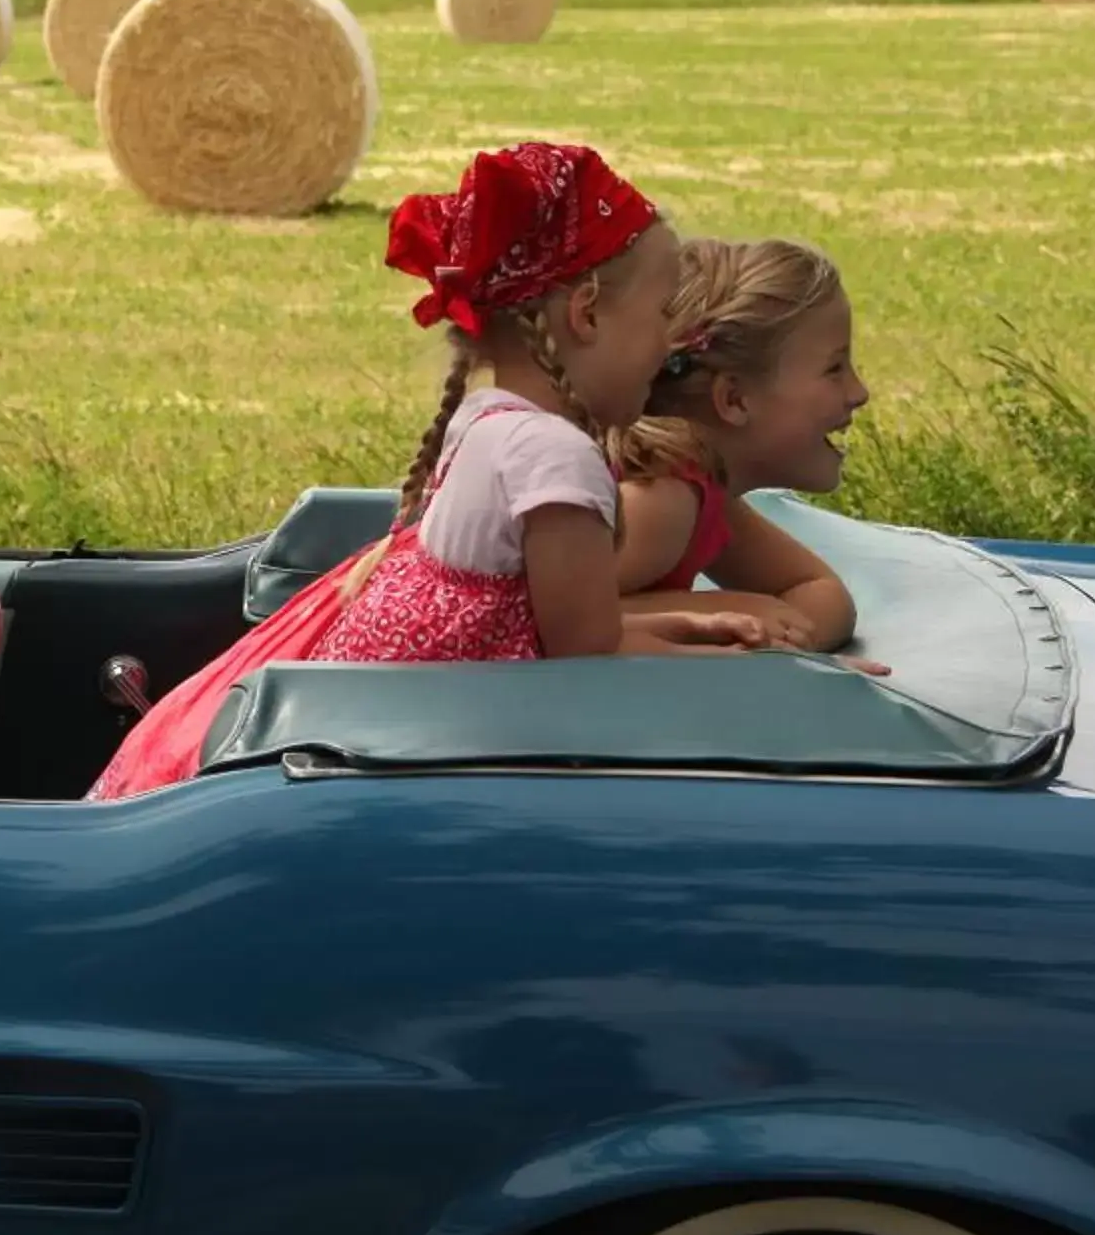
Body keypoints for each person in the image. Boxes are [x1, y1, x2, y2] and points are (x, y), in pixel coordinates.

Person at [88, 143, 763, 801]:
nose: (674, 343)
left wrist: (686, 626)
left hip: (353, 740)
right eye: (666, 312)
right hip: (387, 769)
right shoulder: (558, 460)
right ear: (586, 313)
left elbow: (559, 637)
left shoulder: (489, 421)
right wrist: (760, 674)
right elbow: (583, 666)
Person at [607, 237, 874, 653]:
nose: (859, 392)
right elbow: (517, 624)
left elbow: (819, 591)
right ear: (733, 399)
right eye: (834, 368)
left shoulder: (702, 490)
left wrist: (771, 641)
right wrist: (709, 611)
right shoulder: (658, 501)